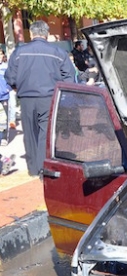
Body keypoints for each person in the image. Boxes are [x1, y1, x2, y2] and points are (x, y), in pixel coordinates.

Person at [4, 20, 76, 176]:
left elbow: (9, 77)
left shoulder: (19, 53)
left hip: (26, 98)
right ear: (47, 34)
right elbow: (69, 77)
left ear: (31, 33)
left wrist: (18, 87)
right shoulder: (57, 52)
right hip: (49, 97)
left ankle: (33, 169)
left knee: (30, 134)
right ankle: (45, 168)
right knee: (46, 133)